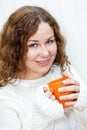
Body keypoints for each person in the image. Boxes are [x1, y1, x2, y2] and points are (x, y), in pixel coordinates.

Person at [0, 5, 87, 130]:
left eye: (49, 41)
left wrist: (83, 105)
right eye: (34, 45)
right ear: (15, 49)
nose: (45, 53)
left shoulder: (65, 73)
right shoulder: (6, 96)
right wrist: (40, 118)